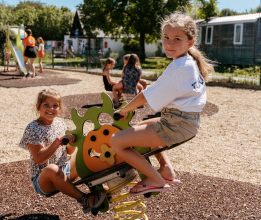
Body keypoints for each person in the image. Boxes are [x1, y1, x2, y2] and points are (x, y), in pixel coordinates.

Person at [110, 12, 214, 196]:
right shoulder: (188, 61)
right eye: (166, 37)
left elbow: (145, 97)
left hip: (176, 124)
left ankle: (154, 180)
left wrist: (124, 109)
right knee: (143, 125)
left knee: (116, 141)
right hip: (186, 121)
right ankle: (166, 170)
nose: (169, 43)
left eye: (176, 39)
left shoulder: (179, 67)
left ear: (190, 42)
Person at [19, 88, 106, 213]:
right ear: (38, 107)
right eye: (46, 105)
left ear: (60, 108)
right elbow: (39, 159)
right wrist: (58, 141)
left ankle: (98, 187)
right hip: (44, 179)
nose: (51, 109)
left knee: (84, 155)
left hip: (64, 170)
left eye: (55, 105)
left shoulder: (61, 123)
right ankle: (84, 200)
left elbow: (69, 152)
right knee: (51, 169)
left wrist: (73, 142)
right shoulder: (32, 128)